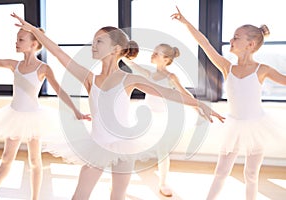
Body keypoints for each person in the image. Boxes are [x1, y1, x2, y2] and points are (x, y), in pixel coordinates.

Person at [12, 13, 225, 200]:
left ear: (115, 49)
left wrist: (198, 104)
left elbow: (168, 92)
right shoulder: (89, 78)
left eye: (99, 41)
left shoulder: (128, 80)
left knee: (117, 195)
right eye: (93, 41)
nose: (93, 45)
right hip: (97, 144)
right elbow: (58, 53)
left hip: (124, 145)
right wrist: (32, 30)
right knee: (79, 195)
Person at [171, 6, 286, 200]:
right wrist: (185, 22)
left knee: (251, 174)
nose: (231, 40)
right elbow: (205, 44)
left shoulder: (262, 69)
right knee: (221, 172)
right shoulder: (227, 67)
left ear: (250, 44)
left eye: (236, 37)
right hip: (233, 125)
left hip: (256, 126)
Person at [0, 27, 90, 200]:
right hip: (13, 116)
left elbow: (60, 91)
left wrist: (77, 111)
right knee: (6, 158)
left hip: (34, 118)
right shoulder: (15, 65)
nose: (16, 42)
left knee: (35, 161)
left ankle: (35, 198)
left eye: (21, 39)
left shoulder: (43, 68)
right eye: (17, 39)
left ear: (34, 44)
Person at [122, 43, 197, 197]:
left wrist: (199, 107)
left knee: (163, 152)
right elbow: (131, 64)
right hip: (145, 117)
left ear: (166, 59)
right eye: (154, 51)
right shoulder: (149, 73)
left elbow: (184, 94)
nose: (153, 54)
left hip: (162, 119)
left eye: (157, 53)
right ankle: (120, 181)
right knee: (131, 147)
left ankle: (163, 183)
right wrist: (121, 53)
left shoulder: (171, 77)